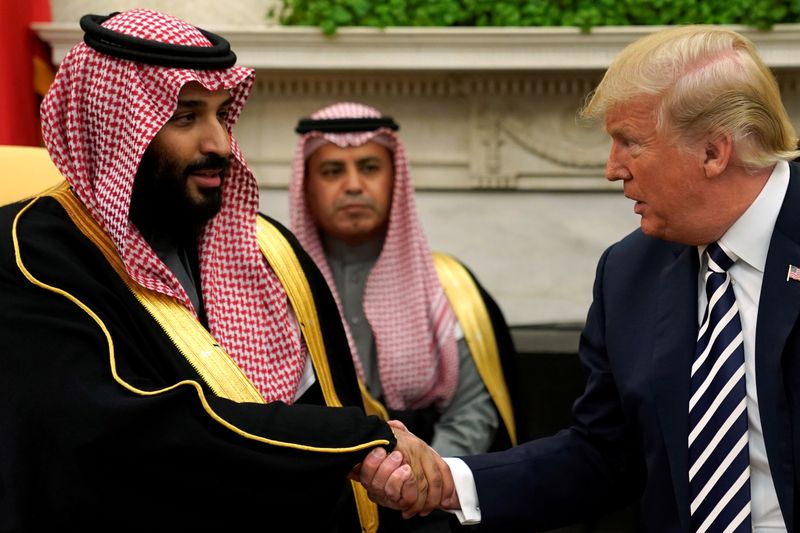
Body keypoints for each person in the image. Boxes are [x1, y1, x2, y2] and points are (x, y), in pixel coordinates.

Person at [0, 9, 449, 530]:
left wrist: (384, 464)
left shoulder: (267, 251)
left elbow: (323, 401)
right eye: (187, 117)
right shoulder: (31, 253)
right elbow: (131, 429)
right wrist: (356, 440)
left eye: (221, 113)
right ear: (115, 127)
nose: (218, 144)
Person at [359, 25, 800, 532]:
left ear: (713, 153)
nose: (612, 169)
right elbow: (604, 454)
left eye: (629, 143)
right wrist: (447, 480)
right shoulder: (629, 273)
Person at [288, 102, 519, 530]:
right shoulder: (275, 287)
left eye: (370, 167)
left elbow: (473, 408)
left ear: (395, 180)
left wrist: (422, 479)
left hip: (430, 499)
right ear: (306, 185)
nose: (353, 185)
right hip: (317, 497)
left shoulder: (451, 286)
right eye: (333, 171)